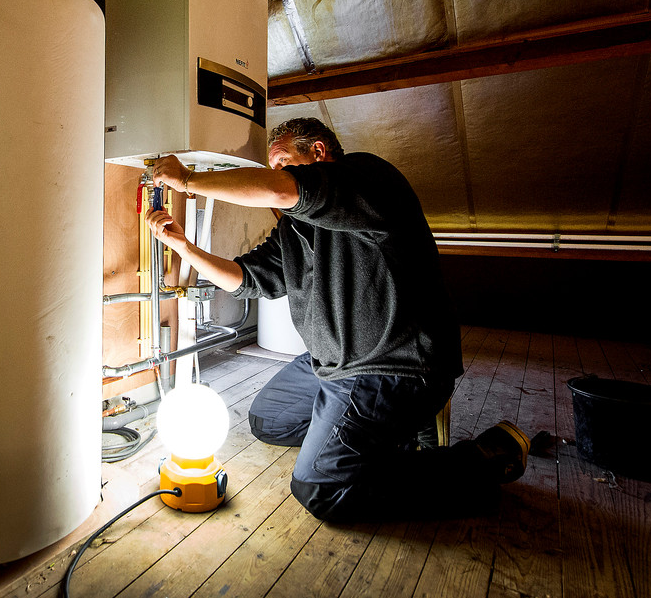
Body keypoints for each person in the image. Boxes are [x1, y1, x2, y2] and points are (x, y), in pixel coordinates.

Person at [145, 117, 530, 522]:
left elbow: (281, 189)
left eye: (282, 163)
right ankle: (391, 437)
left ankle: (483, 458)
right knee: (267, 419)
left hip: (395, 367)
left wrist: (187, 179)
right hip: (332, 367)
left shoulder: (367, 178)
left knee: (320, 487)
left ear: (317, 153)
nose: (277, 179)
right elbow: (244, 279)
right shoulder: (294, 230)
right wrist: (182, 246)